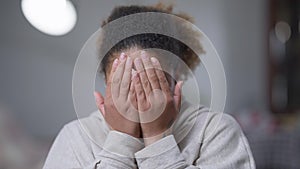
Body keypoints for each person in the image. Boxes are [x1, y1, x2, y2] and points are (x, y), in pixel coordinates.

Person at [43, 3, 255, 169]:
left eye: (152, 80)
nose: (138, 93)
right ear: (107, 83)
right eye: (124, 82)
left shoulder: (215, 131)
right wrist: (121, 141)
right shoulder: (75, 137)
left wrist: (157, 138)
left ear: (177, 75)